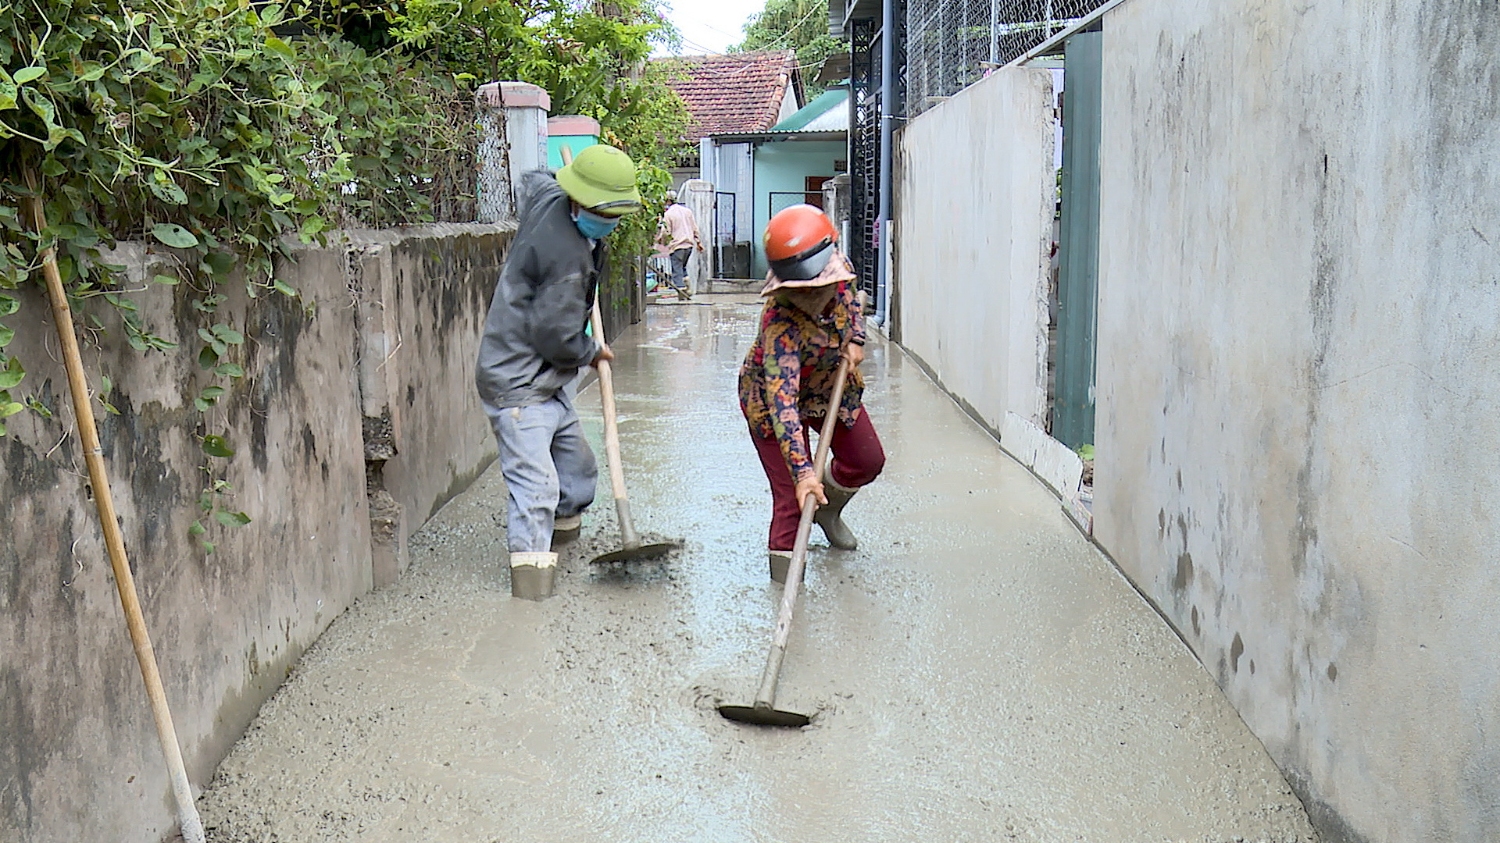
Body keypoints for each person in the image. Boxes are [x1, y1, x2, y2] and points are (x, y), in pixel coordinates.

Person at [474, 144, 643, 600]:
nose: (611, 223)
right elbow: (555, 336)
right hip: (517, 381)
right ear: (581, 204)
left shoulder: (550, 197)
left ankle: (562, 539)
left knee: (577, 467)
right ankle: (531, 583)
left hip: (546, 381)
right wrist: (591, 350)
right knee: (537, 486)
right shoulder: (565, 258)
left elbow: (533, 180)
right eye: (606, 213)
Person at [738, 204, 885, 583]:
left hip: (828, 384)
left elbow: (853, 298)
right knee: (792, 497)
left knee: (867, 460)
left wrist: (855, 338)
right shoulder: (779, 326)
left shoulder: (838, 267)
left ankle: (828, 510)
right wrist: (804, 473)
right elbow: (783, 405)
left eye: (816, 289)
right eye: (798, 291)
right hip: (772, 399)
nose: (809, 298)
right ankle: (786, 587)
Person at [655, 189, 703, 299]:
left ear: (667, 201)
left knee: (677, 271)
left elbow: (666, 232)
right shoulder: (687, 211)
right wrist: (699, 242)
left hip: (677, 246)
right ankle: (688, 289)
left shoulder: (668, 214)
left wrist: (660, 240)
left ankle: (682, 294)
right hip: (689, 246)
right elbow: (695, 228)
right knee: (683, 268)